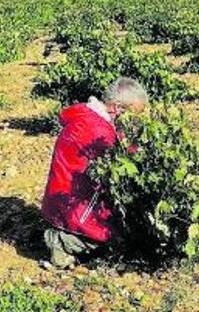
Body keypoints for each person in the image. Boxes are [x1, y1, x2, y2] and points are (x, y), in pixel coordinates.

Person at [40, 77, 149, 269]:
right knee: (113, 238)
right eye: (134, 114)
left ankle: (65, 233)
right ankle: (61, 241)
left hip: (67, 198)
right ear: (117, 108)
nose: (135, 121)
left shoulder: (90, 116)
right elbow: (121, 160)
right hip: (71, 204)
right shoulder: (96, 129)